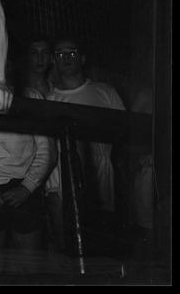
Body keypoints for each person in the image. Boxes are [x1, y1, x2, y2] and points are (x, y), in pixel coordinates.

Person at [0, 65, 57, 276]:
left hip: (27, 191)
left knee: (28, 269)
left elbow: (47, 149)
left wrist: (27, 187)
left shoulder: (33, 98)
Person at [44, 35, 126, 256]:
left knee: (101, 251)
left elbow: (124, 136)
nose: (66, 58)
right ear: (53, 60)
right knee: (67, 251)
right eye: (60, 54)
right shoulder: (50, 100)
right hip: (62, 184)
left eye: (72, 52)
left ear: (82, 58)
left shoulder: (106, 92)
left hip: (101, 184)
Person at [20, 34, 55, 98]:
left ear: (51, 57)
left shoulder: (57, 90)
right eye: (34, 53)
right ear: (27, 56)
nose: (40, 58)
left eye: (45, 53)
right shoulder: (18, 92)